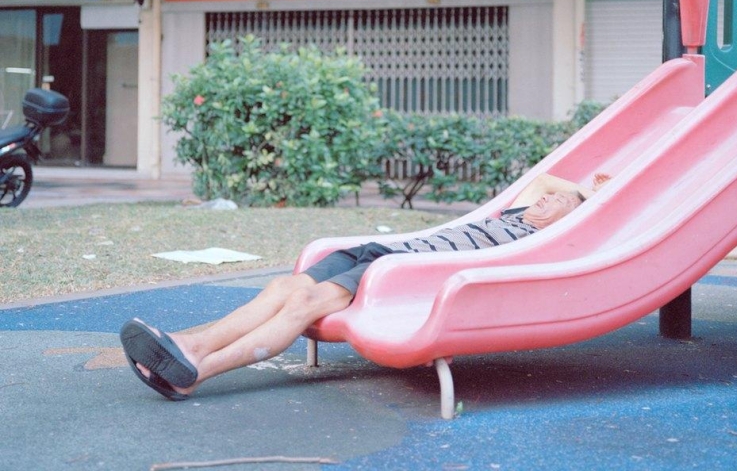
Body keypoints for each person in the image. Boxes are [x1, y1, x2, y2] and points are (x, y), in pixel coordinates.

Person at [120, 171, 608, 401]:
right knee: (282, 288)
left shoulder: (540, 239)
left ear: (575, 215)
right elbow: (543, 180)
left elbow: (598, 218)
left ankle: (196, 369)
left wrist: (592, 197)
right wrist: (575, 190)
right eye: (548, 201)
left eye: (562, 204)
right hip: (388, 249)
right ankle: (186, 347)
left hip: (411, 267)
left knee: (304, 303)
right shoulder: (519, 212)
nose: (547, 204)